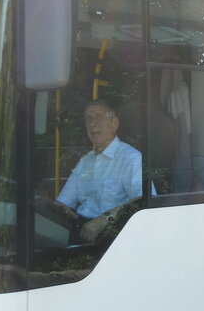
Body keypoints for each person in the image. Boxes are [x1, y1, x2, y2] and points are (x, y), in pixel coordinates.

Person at [56, 98, 144, 242]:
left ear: (114, 123)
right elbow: (64, 203)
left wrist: (106, 218)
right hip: (81, 230)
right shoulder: (85, 161)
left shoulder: (130, 157)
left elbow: (141, 200)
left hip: (114, 234)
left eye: (99, 117)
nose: (92, 123)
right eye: (88, 119)